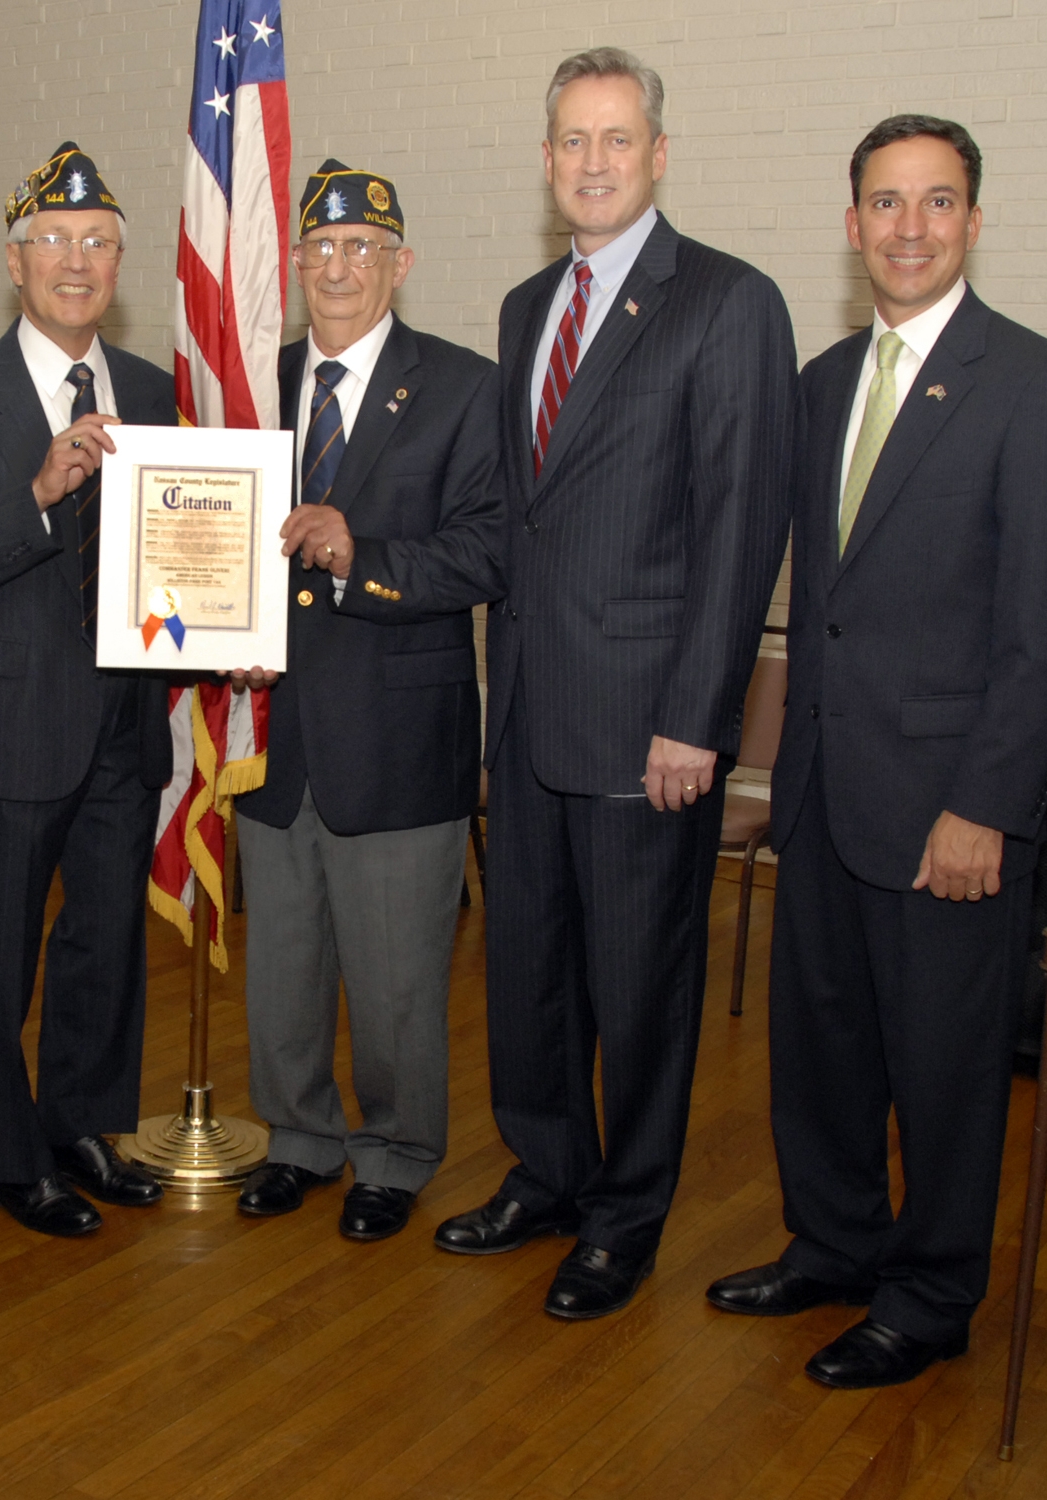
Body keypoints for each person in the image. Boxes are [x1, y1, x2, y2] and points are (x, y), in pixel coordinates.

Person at [705, 116, 1047, 1389]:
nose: (911, 228)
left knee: (942, 1070)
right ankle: (831, 1245)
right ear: (853, 224)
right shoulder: (822, 386)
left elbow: (1044, 636)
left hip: (948, 812)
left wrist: (985, 806)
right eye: (887, 204)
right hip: (824, 796)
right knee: (821, 1048)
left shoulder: (1038, 388)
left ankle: (931, 1297)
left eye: (938, 204)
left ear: (975, 223)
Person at [437, 48, 795, 1321]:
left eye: (616, 139)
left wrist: (696, 721)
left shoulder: (727, 302)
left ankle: (625, 1216)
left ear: (657, 154)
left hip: (651, 726)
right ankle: (546, 1168)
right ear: (548, 162)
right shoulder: (529, 305)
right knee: (527, 968)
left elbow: (741, 530)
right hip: (531, 705)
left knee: (642, 985)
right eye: (571, 142)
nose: (592, 162)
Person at [227, 163, 501, 1241]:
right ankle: (298, 1137)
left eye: (361, 250)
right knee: (282, 973)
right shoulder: (253, 381)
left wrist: (361, 556)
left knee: (395, 987)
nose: (337, 268)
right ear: (294, 264)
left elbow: (485, 551)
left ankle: (394, 1153)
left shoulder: (464, 387)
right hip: (274, 732)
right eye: (320, 250)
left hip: (399, 736)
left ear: (401, 264)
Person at [0, 142, 176, 1236]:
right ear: (15, 264)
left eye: (98, 243)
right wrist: (36, 489)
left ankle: (82, 1126)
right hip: (4, 722)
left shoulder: (156, 392)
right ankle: (8, 1158)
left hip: (124, 720)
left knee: (106, 940)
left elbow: (181, 555)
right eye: (54, 243)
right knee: (0, 953)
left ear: (119, 263)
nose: (77, 262)